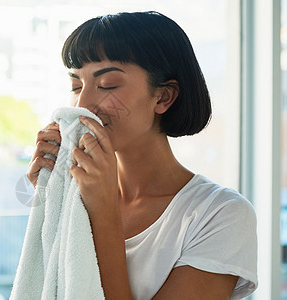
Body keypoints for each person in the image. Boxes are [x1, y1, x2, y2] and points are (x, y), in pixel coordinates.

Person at [26, 11, 257, 299]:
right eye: (76, 86)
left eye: (107, 85)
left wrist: (104, 209)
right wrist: (53, 200)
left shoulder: (220, 214)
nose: (83, 103)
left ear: (163, 97)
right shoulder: (75, 197)